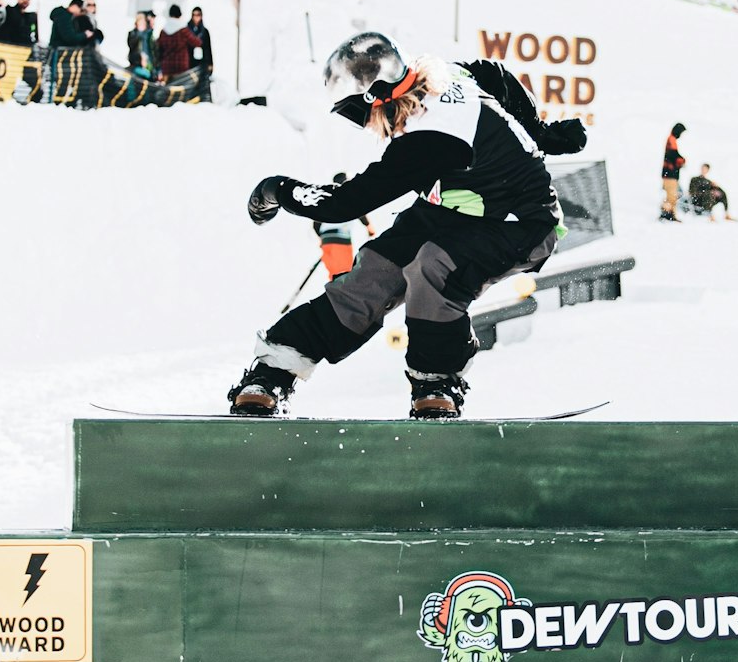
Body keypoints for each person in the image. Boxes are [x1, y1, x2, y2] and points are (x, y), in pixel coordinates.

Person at [228, 31, 588, 419]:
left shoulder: (428, 138)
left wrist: (277, 191)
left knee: (434, 266)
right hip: (452, 208)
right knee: (375, 273)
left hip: (519, 223)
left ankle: (437, 381)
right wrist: (538, 131)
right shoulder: (444, 75)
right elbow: (494, 74)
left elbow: (345, 203)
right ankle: (274, 370)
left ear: (369, 106)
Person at [314, 173, 376, 280]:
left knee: (333, 275)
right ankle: (346, 296)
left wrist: (322, 239)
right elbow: (360, 213)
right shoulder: (349, 195)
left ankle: (334, 295)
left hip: (326, 240)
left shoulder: (327, 197)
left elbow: (316, 223)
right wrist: (369, 228)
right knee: (345, 275)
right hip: (340, 239)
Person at [156, 3, 201, 79]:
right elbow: (197, 42)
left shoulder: (163, 31)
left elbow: (158, 47)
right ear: (179, 15)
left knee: (167, 89)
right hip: (181, 66)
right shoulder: (183, 30)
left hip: (166, 67)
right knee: (179, 89)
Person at [660, 122, 687, 221]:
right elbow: (673, 155)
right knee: (671, 196)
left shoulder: (672, 140)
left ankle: (670, 215)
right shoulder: (671, 140)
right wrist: (682, 160)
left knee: (672, 196)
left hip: (670, 174)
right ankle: (666, 214)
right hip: (670, 174)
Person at [127, 12, 158, 79]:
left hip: (149, 65)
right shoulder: (133, 34)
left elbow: (153, 50)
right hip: (137, 64)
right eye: (141, 23)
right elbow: (132, 46)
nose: (143, 25)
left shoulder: (148, 35)